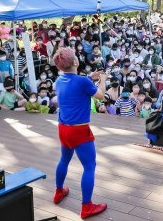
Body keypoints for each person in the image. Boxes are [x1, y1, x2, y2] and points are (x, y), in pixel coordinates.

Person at [52, 47, 108, 219]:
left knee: (64, 160)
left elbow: (74, 82)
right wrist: (103, 80)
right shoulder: (83, 83)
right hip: (80, 131)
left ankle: (58, 192)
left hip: (63, 128)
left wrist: (90, 77)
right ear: (75, 62)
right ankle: (86, 207)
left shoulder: (59, 80)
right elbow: (101, 96)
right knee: (89, 167)